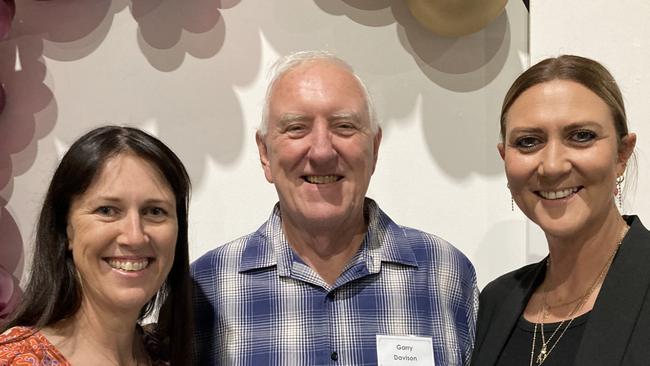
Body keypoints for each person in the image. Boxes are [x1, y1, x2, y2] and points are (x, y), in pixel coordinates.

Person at [192, 51, 479, 365]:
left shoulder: (445, 273)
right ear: (265, 154)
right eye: (296, 128)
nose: (322, 151)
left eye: (344, 126)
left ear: (375, 148)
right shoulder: (206, 286)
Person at [471, 55, 649, 365]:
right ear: (505, 159)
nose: (552, 166)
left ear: (621, 154)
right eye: (528, 142)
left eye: (581, 136)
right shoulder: (496, 301)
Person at [0, 126, 192, 366]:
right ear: (66, 228)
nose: (134, 236)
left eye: (155, 211)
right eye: (107, 210)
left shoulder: (163, 355)